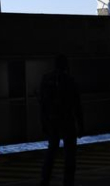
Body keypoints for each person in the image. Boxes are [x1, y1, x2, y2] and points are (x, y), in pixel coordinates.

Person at [39, 54, 84, 186]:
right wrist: (81, 125)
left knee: (51, 152)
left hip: (52, 120)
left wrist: (43, 122)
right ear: (66, 65)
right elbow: (77, 104)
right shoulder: (70, 80)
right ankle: (68, 181)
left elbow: (42, 104)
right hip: (67, 120)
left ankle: (45, 180)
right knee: (70, 154)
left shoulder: (46, 79)